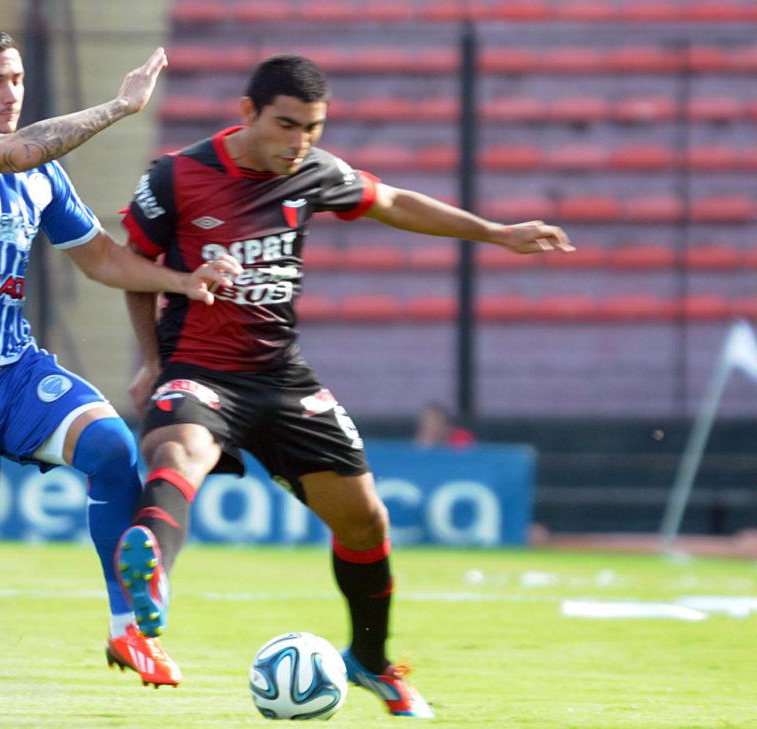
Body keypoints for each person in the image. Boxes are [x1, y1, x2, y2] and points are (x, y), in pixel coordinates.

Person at [116, 55, 573, 718]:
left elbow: (390, 201)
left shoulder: (312, 171)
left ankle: (370, 658)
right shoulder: (178, 174)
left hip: (280, 376)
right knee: (179, 453)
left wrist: (497, 232)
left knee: (364, 519)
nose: (298, 140)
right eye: (286, 125)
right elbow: (133, 265)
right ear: (247, 113)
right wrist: (153, 360)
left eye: (313, 127)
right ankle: (151, 569)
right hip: (198, 368)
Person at [0, 24, 240, 707]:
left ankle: (129, 628)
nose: (9, 94)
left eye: (17, 79)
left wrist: (185, 280)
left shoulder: (40, 175)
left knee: (111, 448)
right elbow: (13, 150)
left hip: (14, 373)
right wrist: (119, 108)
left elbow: (98, 257)